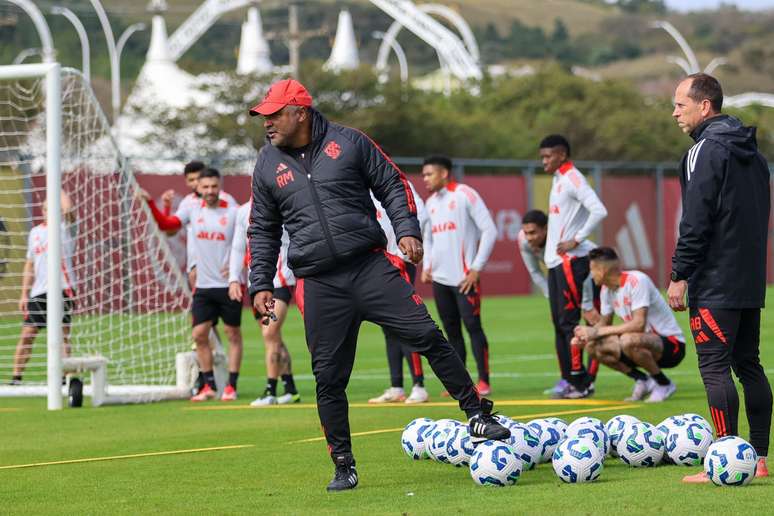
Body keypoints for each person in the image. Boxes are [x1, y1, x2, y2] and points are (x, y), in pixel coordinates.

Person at [246, 78, 510, 492]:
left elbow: (393, 183)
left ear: (300, 111)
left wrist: (407, 230)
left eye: (274, 114)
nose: (267, 123)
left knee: (427, 335)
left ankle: (477, 414)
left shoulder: (349, 142)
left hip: (370, 267)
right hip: (318, 283)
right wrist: (259, 281)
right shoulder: (266, 163)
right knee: (328, 378)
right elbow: (262, 228)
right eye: (264, 116)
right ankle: (343, 465)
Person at [666, 73, 771, 482]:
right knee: (749, 364)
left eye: (680, 104)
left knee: (714, 366)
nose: (674, 112)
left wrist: (680, 274)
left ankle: (724, 464)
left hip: (715, 281)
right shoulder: (753, 154)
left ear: (704, 106)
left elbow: (696, 220)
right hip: (749, 279)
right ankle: (759, 459)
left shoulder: (704, 151)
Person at [142, 168, 244, 402]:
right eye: (205, 187)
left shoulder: (232, 211)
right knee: (199, 334)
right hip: (204, 286)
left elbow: (248, 240)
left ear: (220, 187)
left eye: (213, 187)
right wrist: (151, 203)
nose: (209, 191)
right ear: (198, 187)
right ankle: (208, 386)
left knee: (232, 334)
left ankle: (231, 386)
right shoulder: (192, 209)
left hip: (229, 285)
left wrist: (239, 269)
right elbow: (168, 226)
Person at [421, 156, 497, 396]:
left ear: (444, 173)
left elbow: (489, 230)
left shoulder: (465, 194)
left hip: (465, 278)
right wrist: (427, 265)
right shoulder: (430, 203)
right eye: (423, 175)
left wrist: (476, 268)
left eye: (429, 174)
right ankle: (462, 383)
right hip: (440, 280)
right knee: (450, 331)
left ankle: (484, 381)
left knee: (473, 327)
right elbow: (429, 238)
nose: (425, 179)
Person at [540, 134, 607, 399]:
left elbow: (599, 210)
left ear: (562, 155)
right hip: (557, 262)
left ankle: (582, 382)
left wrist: (576, 240)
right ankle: (568, 379)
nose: (543, 161)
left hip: (572, 261)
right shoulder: (559, 179)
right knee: (559, 323)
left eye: (548, 157)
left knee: (569, 324)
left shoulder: (573, 178)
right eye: (542, 157)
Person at [572, 247, 684, 402]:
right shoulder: (606, 289)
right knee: (592, 346)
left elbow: (638, 324)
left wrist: (596, 333)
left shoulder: (637, 280)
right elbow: (604, 324)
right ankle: (643, 380)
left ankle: (664, 384)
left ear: (603, 269)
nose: (591, 275)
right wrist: (585, 335)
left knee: (628, 339)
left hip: (672, 345)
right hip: (638, 345)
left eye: (593, 269)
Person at [518, 209, 600, 397]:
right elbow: (535, 272)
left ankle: (588, 381)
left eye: (533, 232)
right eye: (526, 232)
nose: (529, 237)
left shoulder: (559, 239)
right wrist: (552, 298)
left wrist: (587, 304)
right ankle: (569, 379)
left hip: (590, 273)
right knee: (560, 325)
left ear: (547, 229)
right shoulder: (523, 242)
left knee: (593, 326)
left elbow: (589, 268)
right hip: (562, 277)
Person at [229, 202, 300, 405]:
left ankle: (270, 391)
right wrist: (234, 278)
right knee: (272, 335)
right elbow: (237, 247)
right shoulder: (243, 212)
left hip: (280, 281)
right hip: (258, 284)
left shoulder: (283, 205)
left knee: (269, 332)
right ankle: (290, 388)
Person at [368, 180, 429, 405]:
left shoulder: (398, 183)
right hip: (376, 263)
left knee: (405, 324)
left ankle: (419, 385)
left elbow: (421, 214)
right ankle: (396, 386)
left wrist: (408, 244)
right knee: (388, 327)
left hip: (398, 261)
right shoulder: (360, 184)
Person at [11, 192, 76, 384]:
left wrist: (58, 185)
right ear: (43, 210)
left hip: (62, 289)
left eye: (55, 208)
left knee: (62, 333)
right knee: (27, 334)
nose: (51, 212)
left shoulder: (65, 228)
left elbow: (69, 209)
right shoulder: (35, 233)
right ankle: (16, 378)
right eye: (48, 208)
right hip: (39, 292)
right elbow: (29, 264)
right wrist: (24, 294)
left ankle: (64, 378)